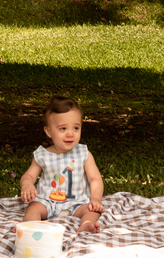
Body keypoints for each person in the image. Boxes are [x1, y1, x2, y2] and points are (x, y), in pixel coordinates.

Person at [18, 96, 105, 233]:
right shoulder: (42, 155)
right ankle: (29, 227)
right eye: (63, 129)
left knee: (92, 210)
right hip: (47, 202)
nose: (70, 134)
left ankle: (86, 224)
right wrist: (27, 184)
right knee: (33, 208)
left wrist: (95, 199)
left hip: (77, 203)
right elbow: (28, 176)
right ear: (48, 131)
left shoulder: (84, 153)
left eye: (76, 128)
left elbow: (95, 179)